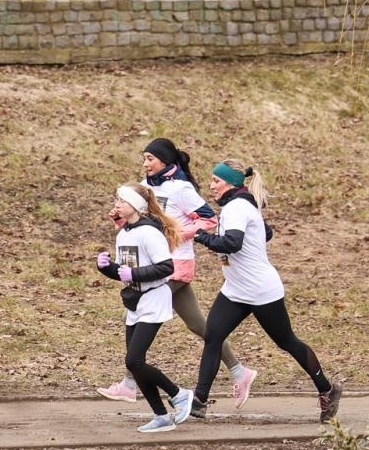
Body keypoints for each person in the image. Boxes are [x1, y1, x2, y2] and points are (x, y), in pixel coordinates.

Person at [97, 138, 258, 408]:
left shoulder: (182, 189)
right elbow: (141, 224)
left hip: (172, 266)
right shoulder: (145, 187)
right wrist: (119, 216)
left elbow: (209, 219)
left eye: (150, 158)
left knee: (137, 312)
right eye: (144, 158)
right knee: (200, 326)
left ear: (165, 161)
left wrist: (175, 234)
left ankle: (129, 382)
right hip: (152, 264)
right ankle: (240, 372)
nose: (145, 164)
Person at [189, 159, 342, 424]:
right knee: (213, 336)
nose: (211, 185)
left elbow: (233, 243)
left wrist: (202, 236)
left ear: (230, 183)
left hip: (261, 291)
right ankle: (199, 401)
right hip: (235, 289)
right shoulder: (239, 205)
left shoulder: (237, 206)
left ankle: (327, 390)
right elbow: (266, 233)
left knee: (287, 341)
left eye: (216, 180)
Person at [96, 183, 193, 433]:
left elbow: (166, 268)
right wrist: (107, 268)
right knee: (134, 363)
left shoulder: (149, 233)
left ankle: (178, 394)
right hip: (135, 301)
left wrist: (133, 272)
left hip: (154, 299)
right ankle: (160, 416)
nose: (117, 204)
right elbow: (125, 273)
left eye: (123, 201)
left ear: (136, 206)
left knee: (134, 360)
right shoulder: (124, 234)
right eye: (116, 200)